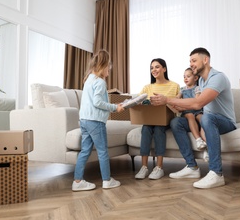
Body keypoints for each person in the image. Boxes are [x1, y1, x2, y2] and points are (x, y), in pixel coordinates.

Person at [150, 47, 236, 189]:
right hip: (207, 120)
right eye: (190, 61)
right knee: (176, 122)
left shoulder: (218, 78)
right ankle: (192, 167)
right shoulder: (201, 81)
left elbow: (198, 103)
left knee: (207, 118)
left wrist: (168, 100)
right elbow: (193, 104)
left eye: (194, 60)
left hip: (225, 122)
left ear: (206, 60)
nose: (191, 64)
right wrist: (176, 105)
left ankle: (216, 173)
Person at [72, 49, 125, 191]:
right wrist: (114, 107)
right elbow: (97, 102)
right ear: (103, 65)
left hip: (84, 120)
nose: (109, 71)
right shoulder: (100, 82)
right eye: (108, 68)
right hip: (95, 121)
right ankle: (107, 180)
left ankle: (77, 181)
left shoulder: (89, 79)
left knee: (85, 151)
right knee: (102, 151)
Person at [134, 58, 180, 180]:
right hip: (150, 119)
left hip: (166, 120)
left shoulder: (174, 86)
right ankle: (144, 167)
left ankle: (159, 167)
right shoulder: (147, 87)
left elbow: (178, 106)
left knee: (159, 128)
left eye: (157, 67)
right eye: (152, 68)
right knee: (146, 128)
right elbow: (138, 102)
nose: (154, 70)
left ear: (164, 69)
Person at [178, 67, 207, 151]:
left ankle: (206, 145)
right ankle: (198, 140)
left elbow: (197, 101)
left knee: (202, 118)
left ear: (195, 78)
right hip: (187, 111)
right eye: (184, 76)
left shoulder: (197, 88)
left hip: (198, 110)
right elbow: (176, 99)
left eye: (188, 76)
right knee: (190, 116)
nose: (185, 78)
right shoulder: (182, 89)